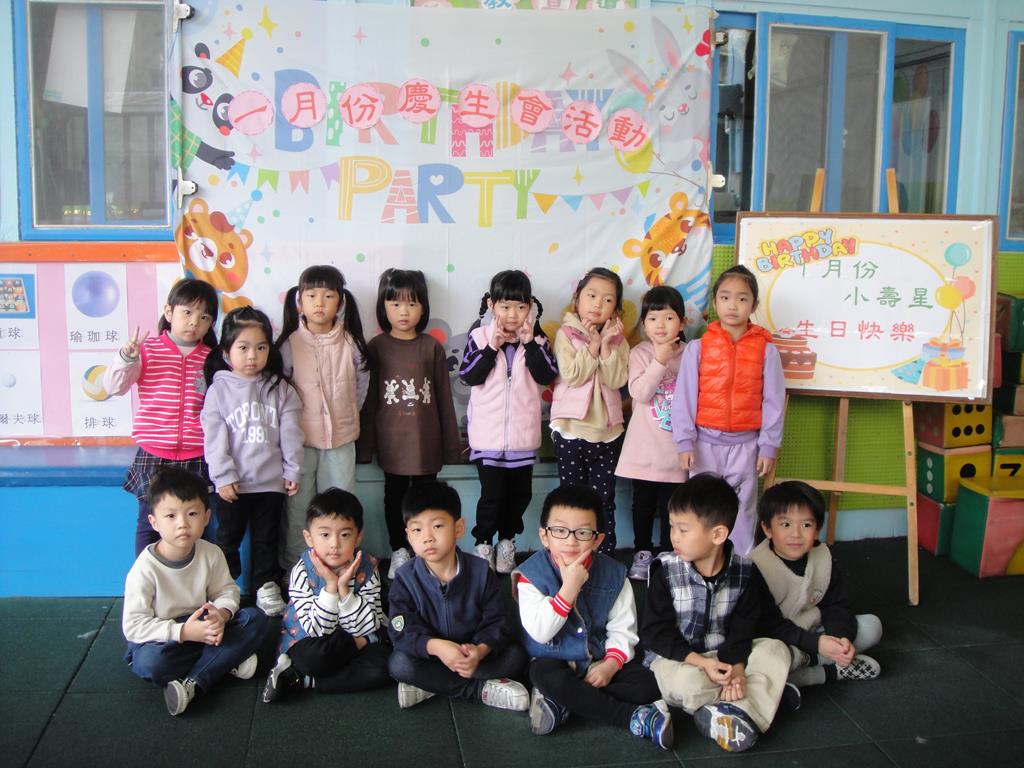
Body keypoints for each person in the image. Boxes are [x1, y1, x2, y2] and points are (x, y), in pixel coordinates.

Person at [641, 473, 791, 753]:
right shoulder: (665, 571)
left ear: (718, 534)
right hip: (680, 660)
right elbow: (655, 633)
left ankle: (729, 710)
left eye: (683, 530)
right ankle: (747, 704)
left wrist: (737, 668)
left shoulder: (745, 572)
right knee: (688, 682)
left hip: (725, 658)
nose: (673, 536)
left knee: (775, 650)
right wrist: (701, 663)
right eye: (672, 526)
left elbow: (745, 626)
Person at [514, 484, 672, 749]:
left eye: (583, 532)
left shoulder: (614, 573)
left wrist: (610, 664)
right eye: (560, 531)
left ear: (598, 539)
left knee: (648, 685)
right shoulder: (530, 575)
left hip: (597, 660)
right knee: (546, 676)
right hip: (552, 660)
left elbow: (623, 628)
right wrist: (568, 589)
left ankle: (562, 704)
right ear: (544, 536)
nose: (571, 541)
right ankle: (631, 717)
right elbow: (541, 633)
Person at [122, 468, 268, 716]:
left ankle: (195, 680)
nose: (182, 524)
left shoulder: (211, 553)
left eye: (192, 513)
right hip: (165, 637)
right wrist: (184, 632)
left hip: (205, 626)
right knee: (150, 663)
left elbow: (227, 590)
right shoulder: (144, 569)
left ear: (207, 516)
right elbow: (134, 627)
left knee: (255, 619)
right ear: (154, 522)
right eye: (171, 516)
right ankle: (221, 662)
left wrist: (221, 614)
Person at [387, 480, 529, 711]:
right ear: (408, 536)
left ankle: (430, 685)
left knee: (516, 656)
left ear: (458, 528)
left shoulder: (481, 572)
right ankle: (479, 690)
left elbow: (498, 621)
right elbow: (400, 629)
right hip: (430, 655)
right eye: (417, 530)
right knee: (399, 664)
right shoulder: (404, 578)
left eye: (437, 526)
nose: (427, 537)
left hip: (473, 655)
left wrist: (480, 650)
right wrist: (436, 646)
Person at [672, 265, 784, 555]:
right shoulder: (698, 348)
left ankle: (741, 563)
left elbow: (773, 401)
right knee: (701, 507)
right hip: (703, 444)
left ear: (754, 305)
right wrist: (684, 441)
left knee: (743, 509)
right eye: (725, 297)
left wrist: (768, 446)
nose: (733, 305)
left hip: (747, 446)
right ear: (714, 302)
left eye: (742, 298)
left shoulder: (767, 351)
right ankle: (698, 558)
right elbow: (684, 398)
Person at [357, 268, 461, 579]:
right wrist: (365, 448)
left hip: (426, 443)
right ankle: (400, 550)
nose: (404, 311)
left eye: (412, 304)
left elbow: (444, 400)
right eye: (396, 304)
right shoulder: (376, 347)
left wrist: (451, 447)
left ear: (423, 307)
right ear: (383, 307)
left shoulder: (431, 347)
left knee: (428, 501)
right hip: (392, 444)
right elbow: (369, 401)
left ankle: (427, 554)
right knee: (395, 498)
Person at [102, 278, 219, 555]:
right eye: (187, 312)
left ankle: (200, 580)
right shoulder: (147, 350)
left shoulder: (212, 358)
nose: (194, 322)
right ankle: (146, 579)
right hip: (154, 454)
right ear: (169, 312)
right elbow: (113, 387)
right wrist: (126, 358)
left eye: (204, 317)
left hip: (198, 455)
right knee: (150, 523)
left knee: (199, 525)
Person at [201, 307, 303, 616]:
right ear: (226, 351)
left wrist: (293, 469)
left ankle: (265, 586)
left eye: (260, 347)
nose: (252, 356)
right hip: (232, 486)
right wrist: (223, 476)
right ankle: (224, 588)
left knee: (266, 539)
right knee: (227, 539)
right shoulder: (219, 390)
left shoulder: (280, 389)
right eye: (243, 347)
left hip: (270, 484)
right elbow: (214, 438)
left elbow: (291, 433)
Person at [459, 269, 558, 573]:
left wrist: (530, 343)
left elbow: (547, 375)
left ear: (530, 307)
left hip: (522, 438)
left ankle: (506, 542)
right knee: (492, 497)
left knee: (520, 496)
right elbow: (469, 376)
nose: (513, 314)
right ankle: (483, 544)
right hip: (487, 438)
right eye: (505, 306)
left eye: (520, 306)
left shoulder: (538, 340)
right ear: (492, 305)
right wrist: (492, 347)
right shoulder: (479, 337)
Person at [277, 265, 369, 572]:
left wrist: (347, 414)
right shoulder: (290, 344)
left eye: (328, 296)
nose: (320, 303)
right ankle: (296, 569)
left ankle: (341, 569)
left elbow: (361, 384)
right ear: (299, 302)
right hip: (299, 444)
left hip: (341, 440)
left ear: (340, 302)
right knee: (298, 508)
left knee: (340, 507)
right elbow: (280, 390)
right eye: (312, 295)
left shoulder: (350, 342)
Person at [262, 488, 391, 702]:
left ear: (358, 537)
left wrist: (345, 591)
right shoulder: (302, 570)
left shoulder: (369, 568)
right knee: (313, 658)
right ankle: (312, 668)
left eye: (345, 535)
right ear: (309, 538)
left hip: (351, 635)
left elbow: (366, 626)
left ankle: (303, 680)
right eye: (324, 535)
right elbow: (317, 630)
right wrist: (331, 587)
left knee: (387, 665)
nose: (334, 544)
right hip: (312, 640)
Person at [750, 481, 882, 688]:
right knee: (766, 656)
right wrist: (817, 644)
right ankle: (823, 672)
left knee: (872, 626)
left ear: (817, 529)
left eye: (806, 525)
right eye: (785, 525)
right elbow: (767, 625)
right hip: (777, 639)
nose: (796, 534)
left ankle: (799, 672)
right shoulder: (756, 566)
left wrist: (841, 639)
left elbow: (837, 605)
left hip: (814, 631)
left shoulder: (823, 557)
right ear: (767, 529)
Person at [550, 267, 629, 553]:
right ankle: (569, 553)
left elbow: (616, 380)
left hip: (607, 433)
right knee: (571, 499)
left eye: (607, 300)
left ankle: (603, 555)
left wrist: (605, 345)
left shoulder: (619, 340)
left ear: (615, 309)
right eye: (592, 296)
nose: (598, 304)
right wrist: (591, 347)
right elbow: (573, 376)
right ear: (577, 299)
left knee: (604, 499)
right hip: (570, 431)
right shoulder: (566, 334)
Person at [614, 286, 688, 581]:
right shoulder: (640, 353)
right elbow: (640, 393)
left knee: (674, 508)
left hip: (677, 451)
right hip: (643, 449)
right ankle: (642, 552)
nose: (660, 325)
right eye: (653, 318)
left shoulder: (690, 354)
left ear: (682, 323)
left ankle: (670, 554)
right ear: (643, 324)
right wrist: (659, 360)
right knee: (642, 505)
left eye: (668, 318)